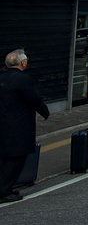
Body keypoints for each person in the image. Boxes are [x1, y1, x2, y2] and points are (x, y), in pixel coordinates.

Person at [0, 50, 49, 202]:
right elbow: (33, 98)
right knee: (16, 159)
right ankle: (5, 191)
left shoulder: (1, 77)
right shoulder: (23, 79)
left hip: (3, 123)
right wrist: (44, 112)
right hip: (18, 125)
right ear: (23, 63)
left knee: (5, 157)